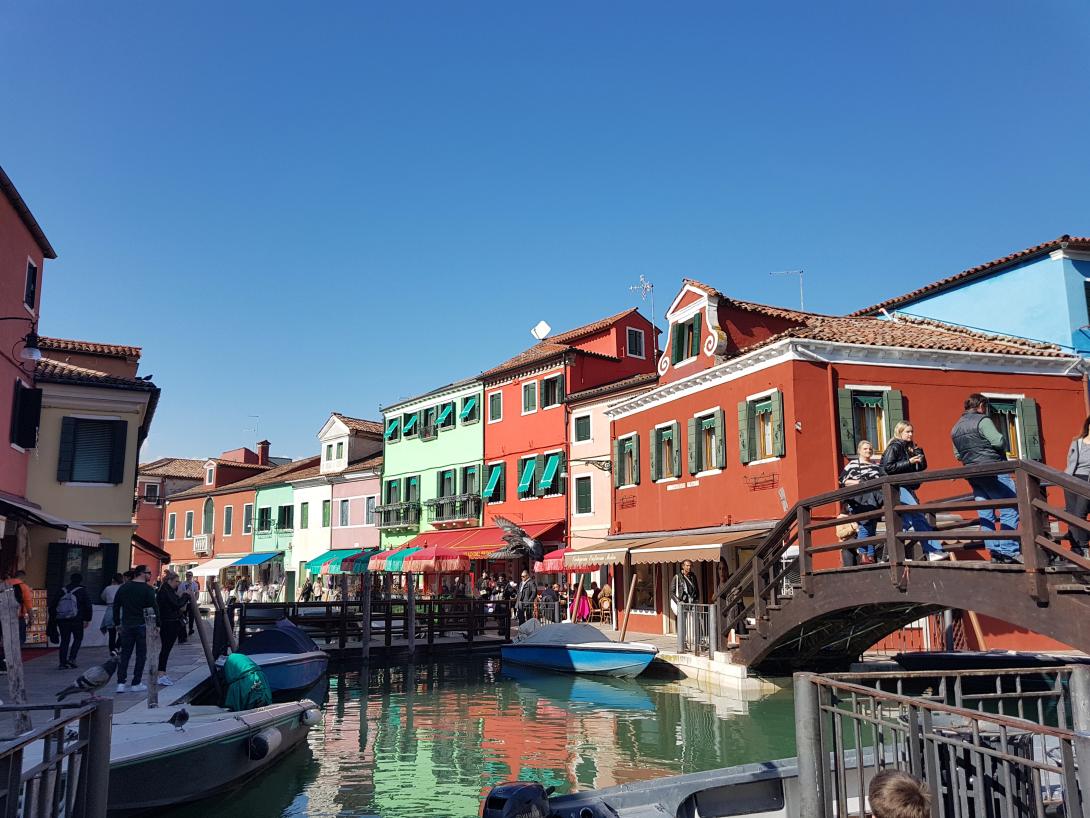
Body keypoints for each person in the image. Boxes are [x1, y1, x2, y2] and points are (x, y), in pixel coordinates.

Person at [950, 393, 1021, 563]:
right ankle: (1009, 551)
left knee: (985, 512)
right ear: (981, 405)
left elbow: (958, 455)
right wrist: (1003, 440)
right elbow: (998, 441)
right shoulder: (983, 420)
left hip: (973, 474)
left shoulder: (955, 428)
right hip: (994, 469)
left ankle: (994, 551)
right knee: (1010, 507)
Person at [881, 422, 949, 561]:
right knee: (918, 515)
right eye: (907, 432)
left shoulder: (908, 448)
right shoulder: (895, 447)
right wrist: (909, 462)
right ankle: (933, 550)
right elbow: (887, 467)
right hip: (897, 487)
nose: (911, 434)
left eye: (912, 431)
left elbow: (922, 467)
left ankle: (888, 556)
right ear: (900, 432)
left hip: (905, 487)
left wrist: (919, 453)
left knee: (904, 522)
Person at [113, 564, 159, 694]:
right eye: (149, 573)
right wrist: (157, 625)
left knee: (125, 654)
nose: (150, 575)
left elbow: (116, 606)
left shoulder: (123, 588)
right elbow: (154, 608)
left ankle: (121, 683)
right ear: (142, 573)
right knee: (141, 655)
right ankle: (136, 682)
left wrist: (117, 623)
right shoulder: (148, 590)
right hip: (142, 625)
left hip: (126, 625)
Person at [840, 440, 884, 564]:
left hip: (874, 500)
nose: (868, 451)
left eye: (870, 449)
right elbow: (843, 481)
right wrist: (859, 483)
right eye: (865, 449)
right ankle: (864, 555)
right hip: (859, 499)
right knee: (865, 524)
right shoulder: (852, 465)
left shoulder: (876, 466)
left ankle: (870, 556)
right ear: (859, 451)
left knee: (871, 526)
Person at [51, 572, 92, 669]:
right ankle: (72, 659)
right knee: (78, 638)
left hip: (62, 619)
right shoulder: (82, 591)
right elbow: (88, 606)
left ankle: (62, 662)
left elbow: (53, 605)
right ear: (80, 580)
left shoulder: (62, 590)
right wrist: (87, 619)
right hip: (77, 619)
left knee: (65, 640)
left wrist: (54, 619)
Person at [1063, 416, 1090, 559]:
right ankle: (1075, 548)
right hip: (1072, 480)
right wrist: (1067, 477)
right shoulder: (1076, 442)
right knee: (1071, 514)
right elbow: (1070, 460)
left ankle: (1084, 547)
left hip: (1087, 482)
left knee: (1080, 514)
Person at [156, 572, 186, 686]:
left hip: (170, 622)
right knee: (166, 648)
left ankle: (162, 673)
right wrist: (186, 596)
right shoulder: (166, 591)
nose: (178, 584)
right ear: (170, 581)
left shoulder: (167, 590)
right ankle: (161, 674)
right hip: (169, 623)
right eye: (176, 581)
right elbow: (176, 603)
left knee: (166, 648)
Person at [6, 570, 33, 645]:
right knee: (19, 640)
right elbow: (28, 606)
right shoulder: (24, 587)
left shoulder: (4, 585)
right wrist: (31, 619)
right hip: (17, 618)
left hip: (3, 617)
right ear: (23, 577)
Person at [100, 573, 124, 653]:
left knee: (111, 634)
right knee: (122, 633)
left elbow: (103, 597)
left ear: (113, 579)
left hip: (110, 611)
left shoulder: (107, 588)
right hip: (121, 611)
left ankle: (112, 650)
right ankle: (117, 647)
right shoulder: (122, 588)